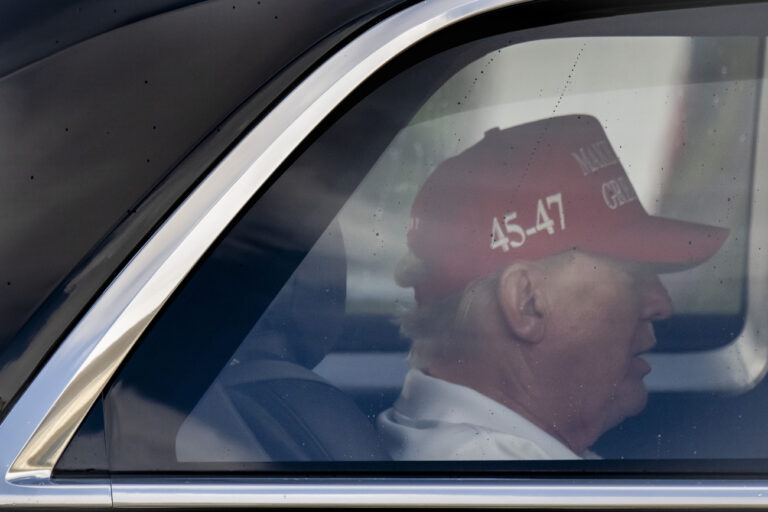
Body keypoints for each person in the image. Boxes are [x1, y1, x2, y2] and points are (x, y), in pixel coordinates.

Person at [377, 114, 729, 460]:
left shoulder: (494, 459)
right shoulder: (497, 477)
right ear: (527, 302)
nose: (661, 303)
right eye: (631, 274)